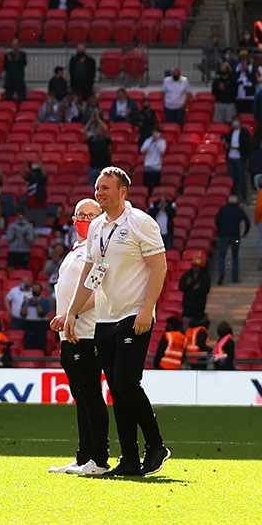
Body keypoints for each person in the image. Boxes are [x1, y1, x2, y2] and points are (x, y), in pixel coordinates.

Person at [63, 166, 169, 477]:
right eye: (98, 187)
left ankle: (156, 445)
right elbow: (90, 273)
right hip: (104, 319)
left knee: (126, 383)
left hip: (132, 314)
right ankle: (130, 460)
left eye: (106, 188)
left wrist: (147, 308)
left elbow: (158, 267)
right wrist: (72, 311)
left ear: (123, 192)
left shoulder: (140, 223)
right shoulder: (97, 227)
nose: (100, 193)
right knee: (117, 390)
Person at [47, 199, 110, 474]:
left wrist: (70, 314)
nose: (84, 219)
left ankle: (98, 457)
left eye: (90, 215)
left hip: (86, 332)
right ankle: (84, 456)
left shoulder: (98, 249)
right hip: (69, 332)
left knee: (90, 394)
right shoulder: (74, 250)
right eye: (80, 215)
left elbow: (97, 291)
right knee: (80, 395)